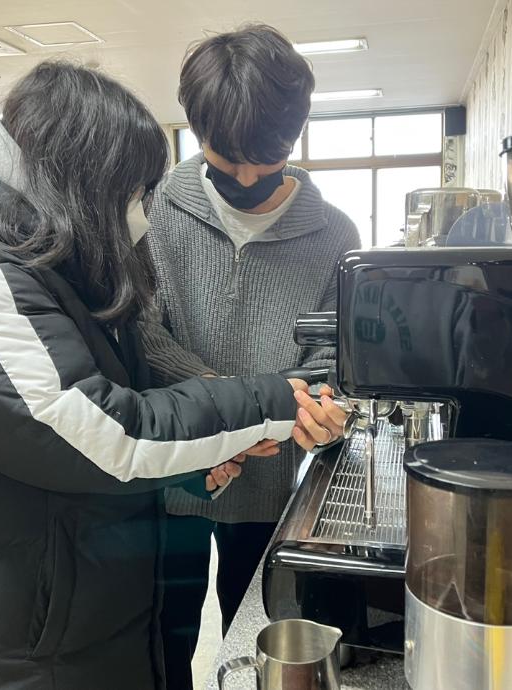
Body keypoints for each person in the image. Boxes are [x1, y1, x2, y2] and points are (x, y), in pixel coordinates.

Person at [0, 61, 330, 690]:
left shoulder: (41, 259)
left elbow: (85, 422)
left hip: (58, 613)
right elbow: (99, 431)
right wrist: (269, 399)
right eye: (132, 193)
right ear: (84, 179)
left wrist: (195, 462)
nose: (141, 214)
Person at [142, 25, 359, 687]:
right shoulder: (153, 211)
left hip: (274, 481)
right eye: (226, 157)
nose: (245, 177)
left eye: (269, 158)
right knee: (159, 646)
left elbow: (332, 359)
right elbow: (141, 335)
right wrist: (228, 404)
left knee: (256, 648)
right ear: (195, 125)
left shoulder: (335, 235)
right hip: (172, 472)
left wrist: (319, 407)